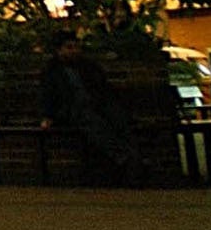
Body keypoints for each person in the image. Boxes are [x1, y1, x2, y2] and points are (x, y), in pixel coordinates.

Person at [38, 33, 140, 185]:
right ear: (59, 50)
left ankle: (127, 157)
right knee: (89, 120)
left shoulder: (88, 67)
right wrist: (47, 116)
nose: (73, 51)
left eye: (75, 47)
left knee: (115, 119)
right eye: (68, 48)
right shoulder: (52, 71)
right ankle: (123, 157)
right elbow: (47, 95)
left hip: (95, 107)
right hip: (70, 111)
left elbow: (103, 90)